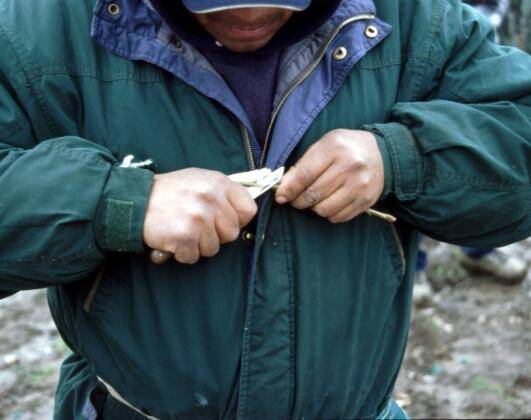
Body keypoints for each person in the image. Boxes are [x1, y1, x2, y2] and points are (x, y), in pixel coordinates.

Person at [0, 0, 530, 418]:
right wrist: (119, 203)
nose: (250, 16)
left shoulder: (416, 18)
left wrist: (403, 157)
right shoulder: (44, 27)